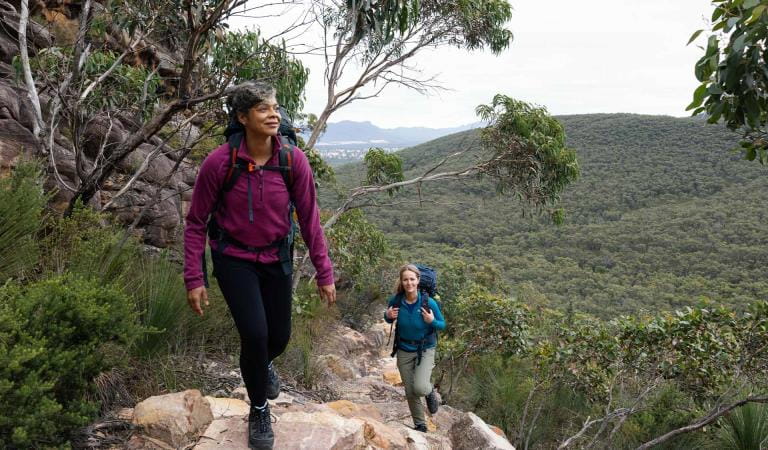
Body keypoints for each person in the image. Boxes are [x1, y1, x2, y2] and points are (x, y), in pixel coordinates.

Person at [183, 81, 336, 450]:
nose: (274, 115)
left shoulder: (291, 160)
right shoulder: (220, 162)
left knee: (277, 337)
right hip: (234, 259)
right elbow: (196, 222)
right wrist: (195, 276)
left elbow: (310, 218)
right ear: (242, 117)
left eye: (276, 108)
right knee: (254, 334)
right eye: (264, 109)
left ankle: (262, 365)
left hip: (276, 257)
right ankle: (259, 407)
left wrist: (324, 271)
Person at [385, 264, 446, 432]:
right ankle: (420, 424)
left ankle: (429, 390)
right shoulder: (396, 300)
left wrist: (431, 321)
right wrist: (387, 316)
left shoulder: (429, 303)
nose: (409, 283)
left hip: (425, 349)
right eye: (405, 279)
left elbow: (442, 324)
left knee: (420, 387)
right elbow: (389, 318)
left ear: (418, 281)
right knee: (410, 390)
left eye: (412, 279)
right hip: (404, 349)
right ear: (401, 281)